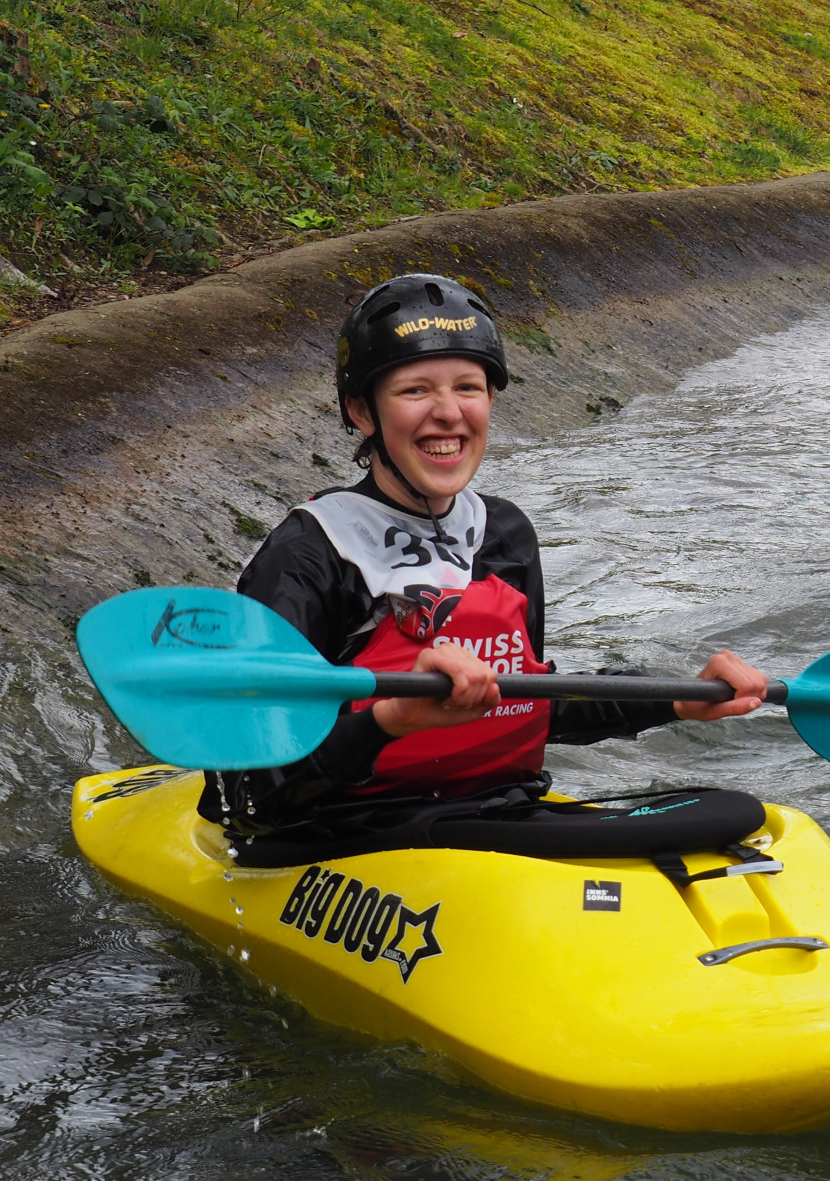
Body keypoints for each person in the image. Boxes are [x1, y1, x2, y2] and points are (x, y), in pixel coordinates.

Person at [200, 273, 768, 843]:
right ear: (364, 412)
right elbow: (249, 795)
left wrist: (676, 697)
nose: (448, 413)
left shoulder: (502, 533)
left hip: (494, 813)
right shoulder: (309, 553)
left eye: (467, 387)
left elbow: (524, 702)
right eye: (415, 390)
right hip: (346, 832)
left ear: (490, 400)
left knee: (736, 816)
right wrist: (389, 720)